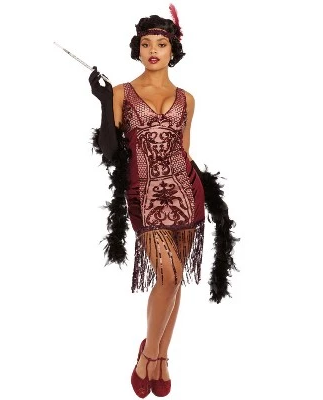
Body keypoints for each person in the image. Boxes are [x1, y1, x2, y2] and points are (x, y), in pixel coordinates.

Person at [88, 4, 239, 398]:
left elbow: (184, 150)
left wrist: (205, 192)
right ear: (137, 48)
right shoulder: (121, 93)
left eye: (161, 44)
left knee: (174, 281)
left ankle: (162, 357)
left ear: (173, 50)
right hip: (143, 192)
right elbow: (110, 152)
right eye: (146, 44)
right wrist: (103, 102)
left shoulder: (187, 99)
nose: (153, 50)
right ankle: (149, 355)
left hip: (186, 191)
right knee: (168, 274)